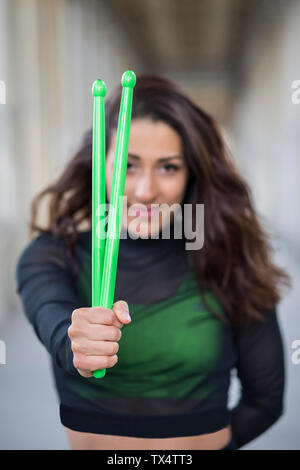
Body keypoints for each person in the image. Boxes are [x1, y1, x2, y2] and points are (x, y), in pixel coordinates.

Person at [16, 74, 291, 450]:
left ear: (192, 173)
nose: (146, 191)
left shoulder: (229, 260)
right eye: (128, 166)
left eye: (168, 167)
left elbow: (265, 400)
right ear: (99, 165)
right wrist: (74, 340)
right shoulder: (51, 256)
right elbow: (51, 312)